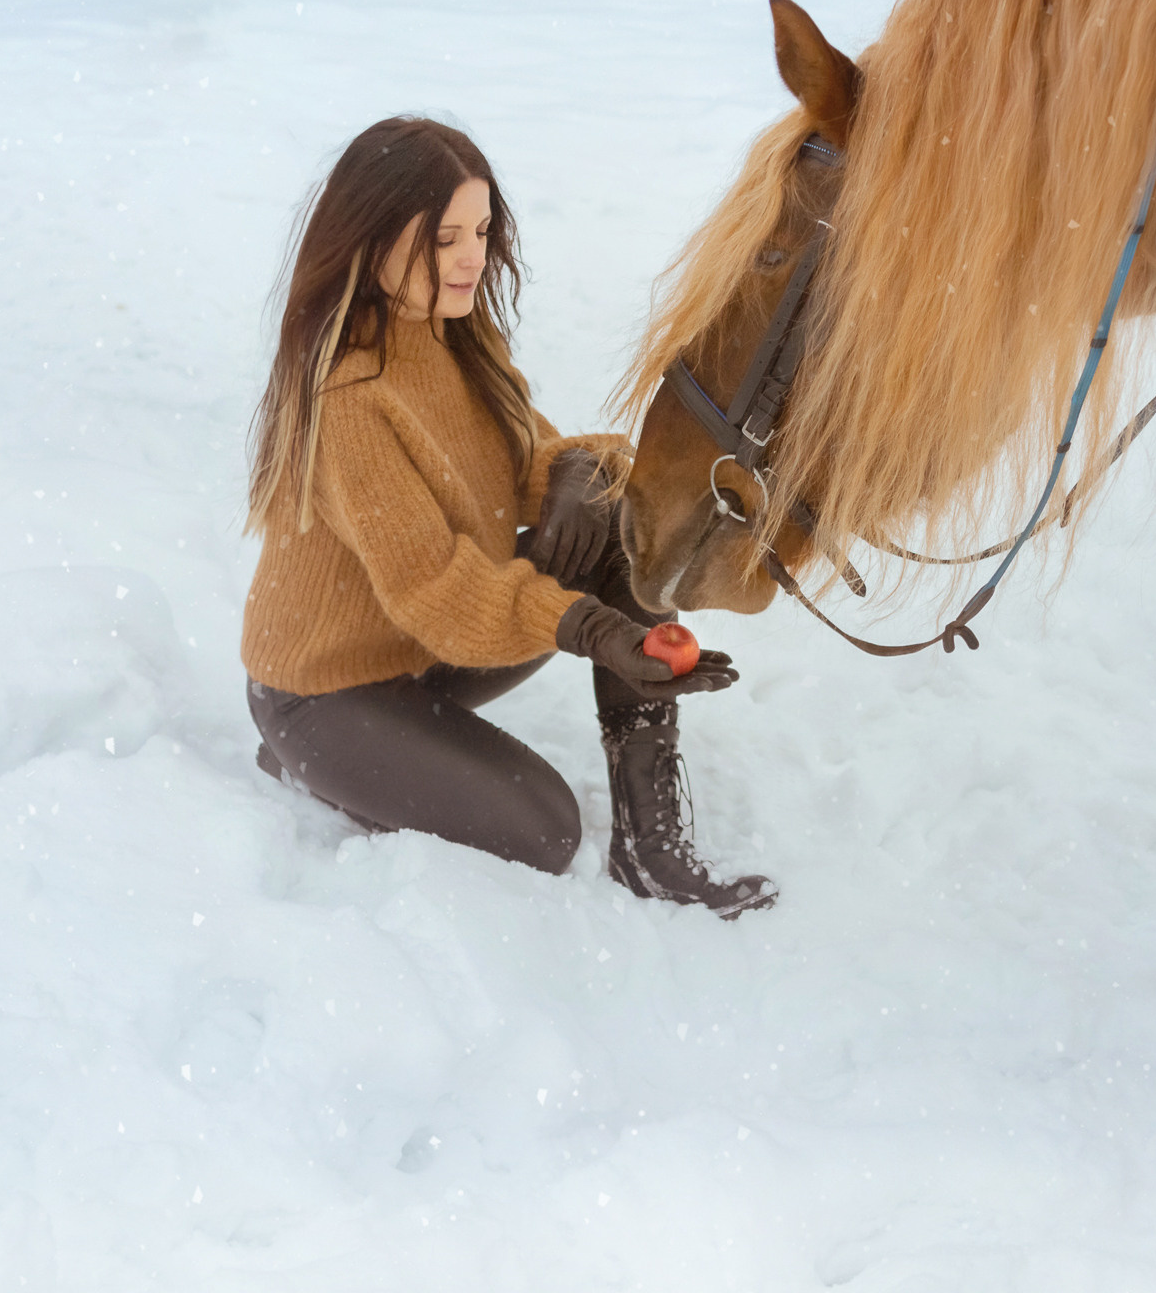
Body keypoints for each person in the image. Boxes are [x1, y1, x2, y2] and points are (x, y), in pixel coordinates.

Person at [239, 116, 776, 916]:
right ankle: (311, 762)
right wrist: (598, 632)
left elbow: (532, 460)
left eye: (483, 231)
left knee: (619, 534)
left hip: (420, 656)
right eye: (443, 236)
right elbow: (436, 590)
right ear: (371, 239)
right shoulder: (349, 397)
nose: (471, 258)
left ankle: (650, 844)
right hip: (328, 692)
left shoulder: (455, 340)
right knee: (546, 831)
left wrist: (570, 475)